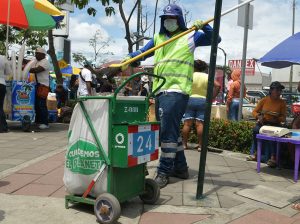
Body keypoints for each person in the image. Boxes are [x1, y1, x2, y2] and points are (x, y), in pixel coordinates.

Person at [123, 4, 221, 188]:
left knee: (167, 132)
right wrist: (130, 57)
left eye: (172, 18)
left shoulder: (191, 35)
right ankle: (181, 168)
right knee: (171, 131)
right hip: (160, 90)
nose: (169, 21)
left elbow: (216, 39)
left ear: (179, 20)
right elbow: (142, 53)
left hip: (177, 91)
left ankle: (164, 171)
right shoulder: (158, 38)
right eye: (166, 18)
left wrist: (205, 27)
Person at [182, 60, 221, 151]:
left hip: (190, 99)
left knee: (187, 124)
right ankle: (200, 146)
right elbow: (218, 85)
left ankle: (184, 144)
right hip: (203, 100)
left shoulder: (190, 75)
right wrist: (211, 97)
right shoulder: (207, 76)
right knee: (200, 125)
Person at [247, 81, 287, 167]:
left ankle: (273, 158)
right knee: (255, 130)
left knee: (273, 135)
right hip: (264, 123)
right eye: (277, 90)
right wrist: (259, 116)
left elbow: (283, 118)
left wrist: (277, 118)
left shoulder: (282, 103)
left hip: (275, 124)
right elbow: (254, 111)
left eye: (280, 90)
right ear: (271, 91)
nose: (279, 92)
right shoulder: (264, 100)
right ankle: (256, 152)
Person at [29, 47, 50, 130]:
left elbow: (37, 70)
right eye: (35, 53)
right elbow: (29, 63)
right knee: (37, 105)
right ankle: (38, 121)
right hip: (37, 84)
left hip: (43, 85)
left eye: (37, 53)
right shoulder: (37, 61)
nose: (36, 55)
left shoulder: (45, 62)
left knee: (41, 105)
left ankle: (45, 122)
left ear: (43, 55)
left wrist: (26, 69)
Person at [0, 55, 12, 133]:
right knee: (0, 106)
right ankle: (3, 127)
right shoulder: (2, 58)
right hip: (1, 84)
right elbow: (9, 72)